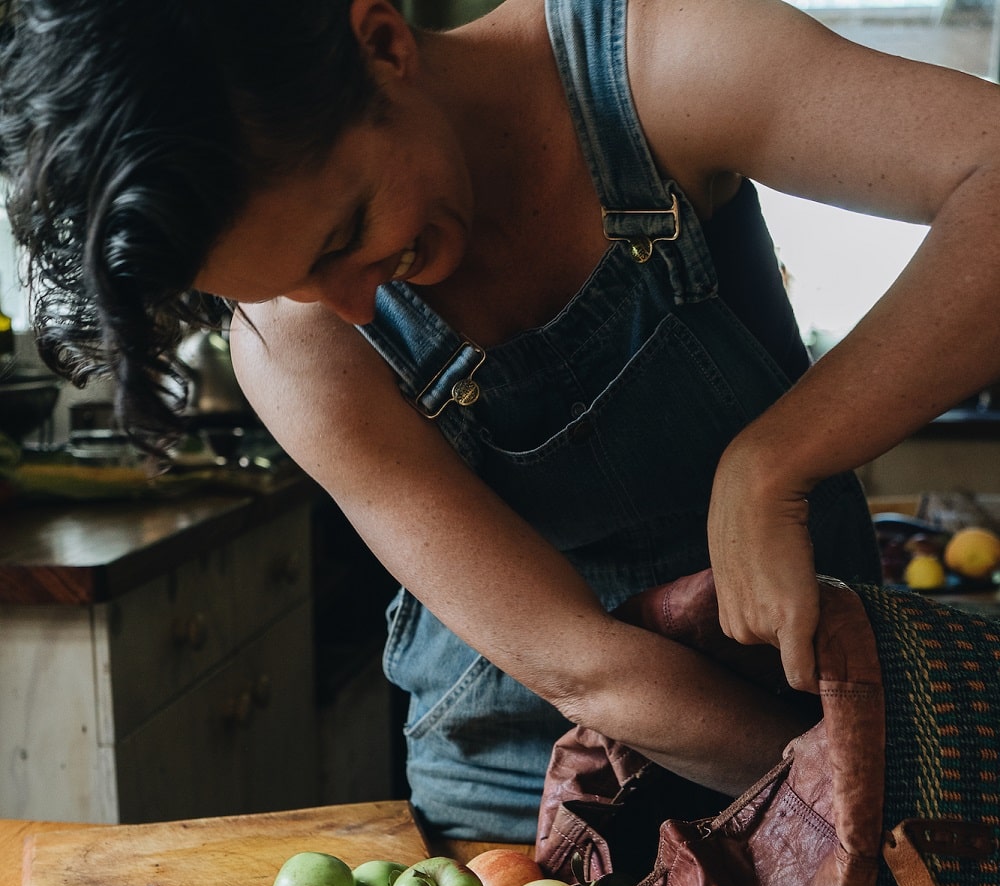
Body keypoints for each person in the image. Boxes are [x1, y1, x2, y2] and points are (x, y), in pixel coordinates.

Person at [3, 0, 1000, 841]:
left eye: (345, 235)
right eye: (294, 285)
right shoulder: (296, 343)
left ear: (384, 43)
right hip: (523, 792)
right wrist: (840, 813)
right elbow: (584, 667)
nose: (353, 306)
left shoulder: (663, 62)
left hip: (820, 700)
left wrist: (773, 462)